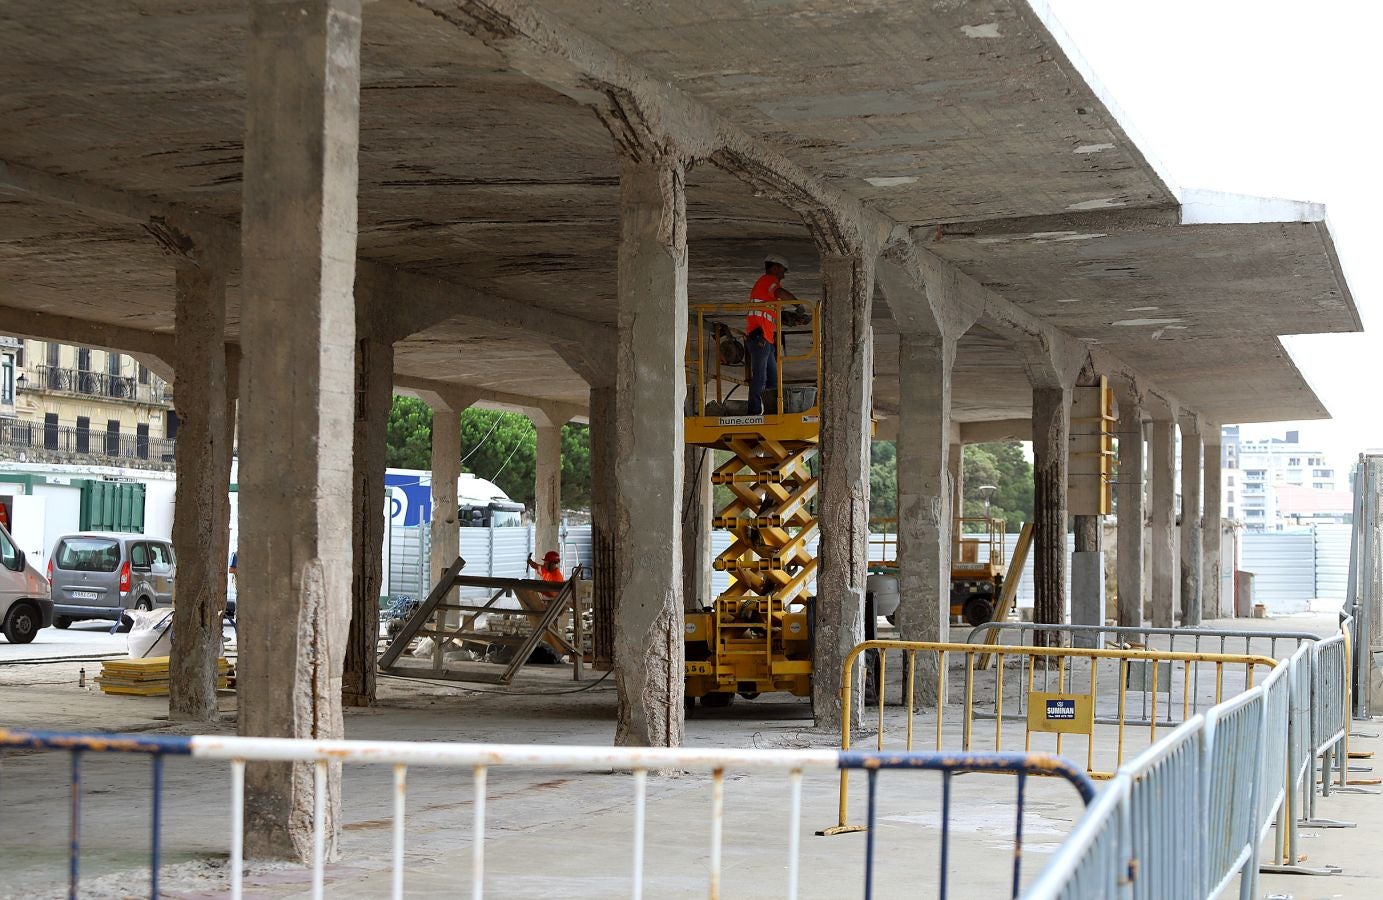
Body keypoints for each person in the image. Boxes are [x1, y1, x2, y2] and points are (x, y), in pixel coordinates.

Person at [746, 254, 800, 416]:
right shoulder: (768, 280)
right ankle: (754, 412)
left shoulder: (766, 291)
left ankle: (772, 410)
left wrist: (792, 318)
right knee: (760, 377)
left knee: (773, 378)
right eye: (782, 271)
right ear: (775, 267)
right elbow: (782, 293)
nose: (783, 275)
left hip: (766, 340)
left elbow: (772, 314)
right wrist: (798, 305)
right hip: (760, 338)